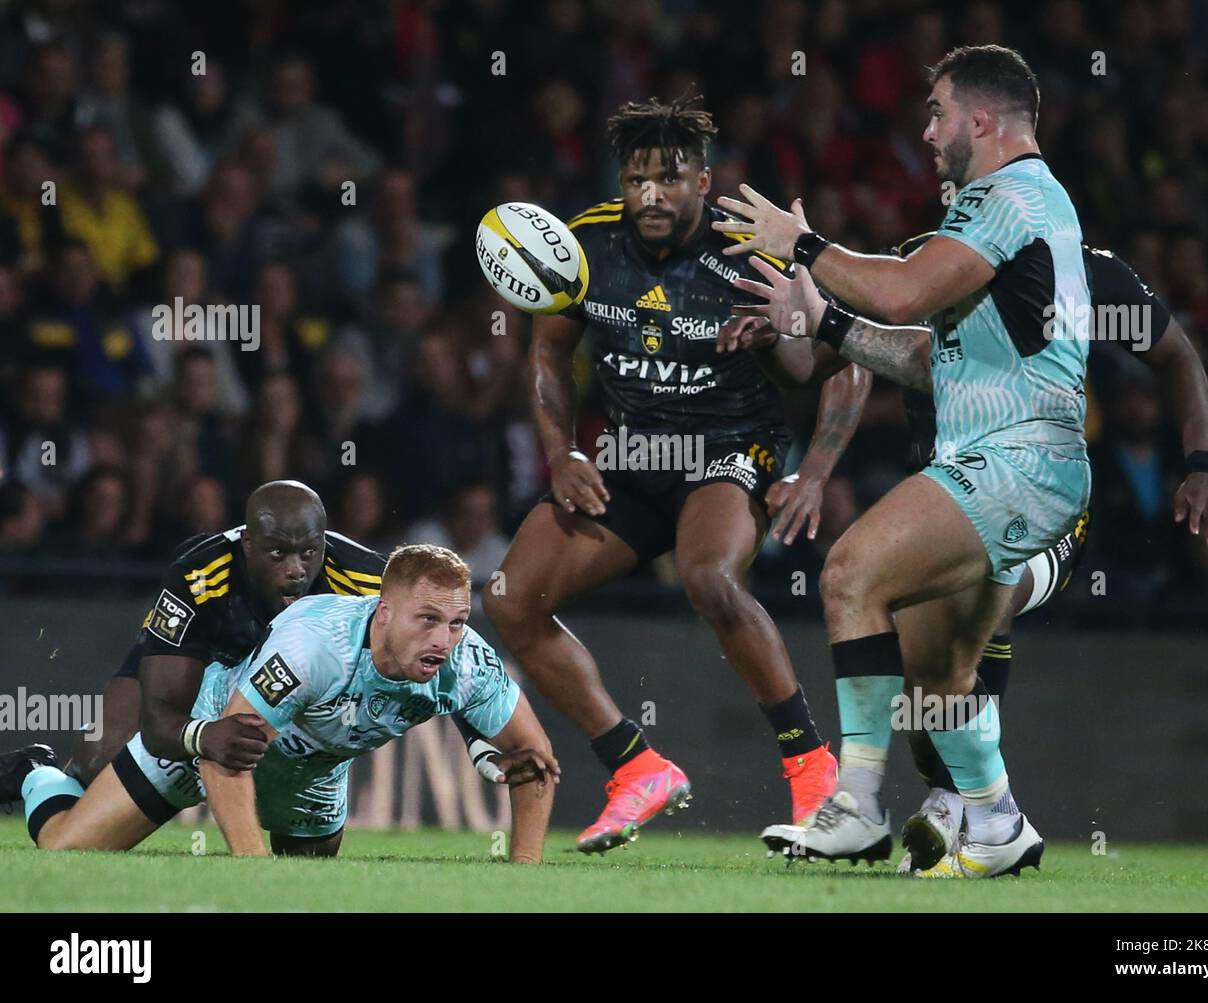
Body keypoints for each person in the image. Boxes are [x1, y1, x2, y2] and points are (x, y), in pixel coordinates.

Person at [720, 232, 1208, 870]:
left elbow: (1178, 356)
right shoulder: (922, 266)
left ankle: (928, 801)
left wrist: (1203, 465)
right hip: (942, 496)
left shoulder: (1086, 273)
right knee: (927, 670)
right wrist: (775, 341)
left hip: (1038, 502)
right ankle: (988, 813)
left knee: (966, 600)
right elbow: (825, 361)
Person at [715, 45, 1093, 877]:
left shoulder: (1006, 193)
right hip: (1023, 457)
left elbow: (902, 291)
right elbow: (929, 355)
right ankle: (995, 822)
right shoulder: (1037, 204)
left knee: (851, 570)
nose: (927, 131)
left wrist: (802, 242)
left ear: (982, 121)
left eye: (938, 112)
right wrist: (824, 325)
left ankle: (854, 803)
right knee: (935, 665)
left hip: (1018, 456)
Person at [484, 93, 870, 853]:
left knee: (709, 577)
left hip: (731, 447)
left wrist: (817, 471)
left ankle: (813, 770)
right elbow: (550, 356)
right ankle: (635, 766)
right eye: (636, 179)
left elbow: (845, 359)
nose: (650, 195)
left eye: (669, 177)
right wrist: (562, 453)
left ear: (704, 180)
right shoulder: (584, 246)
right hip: (633, 454)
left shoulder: (751, 249)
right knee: (509, 599)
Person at [1, 545, 559, 861]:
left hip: (313, 775)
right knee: (67, 847)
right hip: (212, 736)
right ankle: (35, 771)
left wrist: (523, 875)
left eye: (457, 622)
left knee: (312, 895)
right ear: (383, 612)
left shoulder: (465, 660)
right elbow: (226, 754)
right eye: (429, 619)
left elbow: (535, 760)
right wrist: (255, 871)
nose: (444, 638)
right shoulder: (314, 647)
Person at [66, 480, 514, 791]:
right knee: (97, 761)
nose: (296, 569)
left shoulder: (365, 576)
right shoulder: (197, 576)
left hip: (278, 684)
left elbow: (443, 646)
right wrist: (204, 737)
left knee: (305, 844)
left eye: (309, 552)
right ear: (247, 544)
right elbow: (159, 717)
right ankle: (37, 772)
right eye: (278, 553)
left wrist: (476, 743)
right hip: (199, 662)